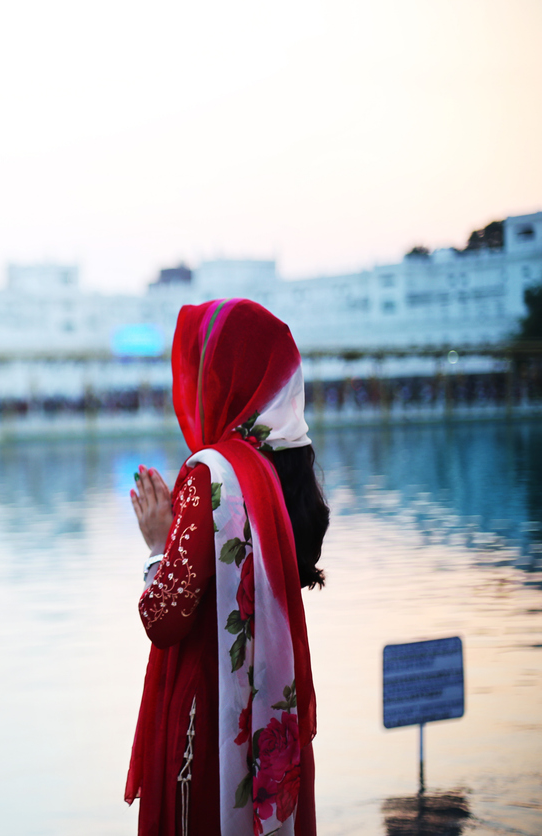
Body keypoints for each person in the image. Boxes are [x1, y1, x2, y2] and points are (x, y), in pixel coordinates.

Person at [125, 299, 329, 836]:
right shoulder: (278, 463)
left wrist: (154, 544)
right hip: (258, 701)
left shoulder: (210, 474)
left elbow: (163, 618)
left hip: (211, 716)